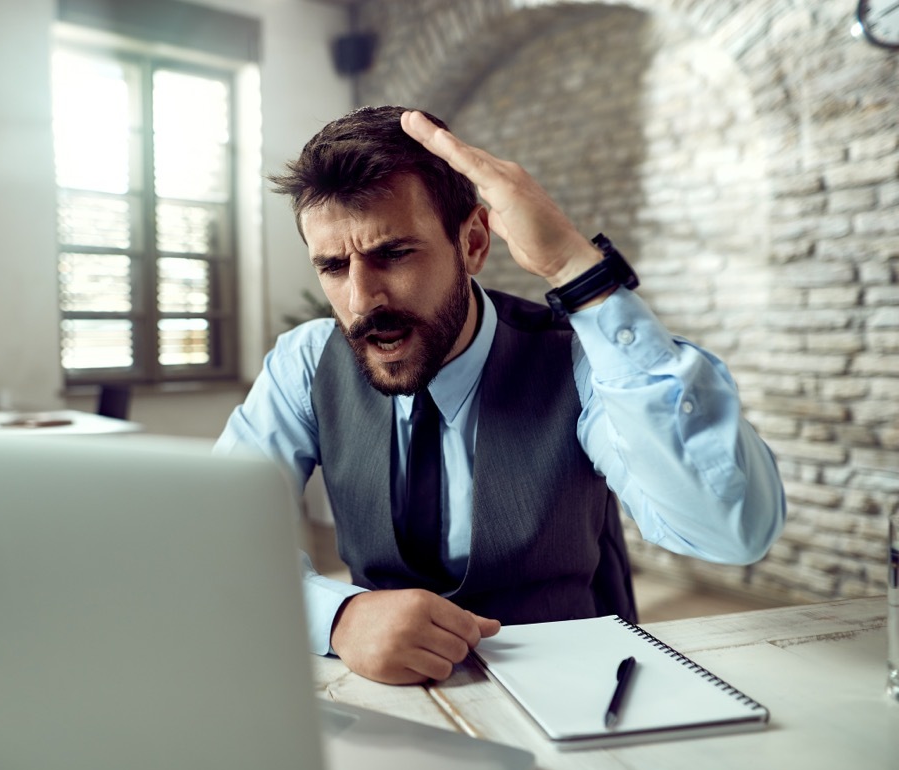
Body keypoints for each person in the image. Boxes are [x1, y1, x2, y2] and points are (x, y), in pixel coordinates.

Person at [214, 106, 786, 686]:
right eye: (334, 266)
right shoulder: (306, 362)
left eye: (393, 254)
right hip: (384, 693)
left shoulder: (579, 360)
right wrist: (337, 618)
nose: (361, 300)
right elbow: (214, 537)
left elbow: (729, 529)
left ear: (474, 242)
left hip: (575, 687)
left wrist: (574, 268)